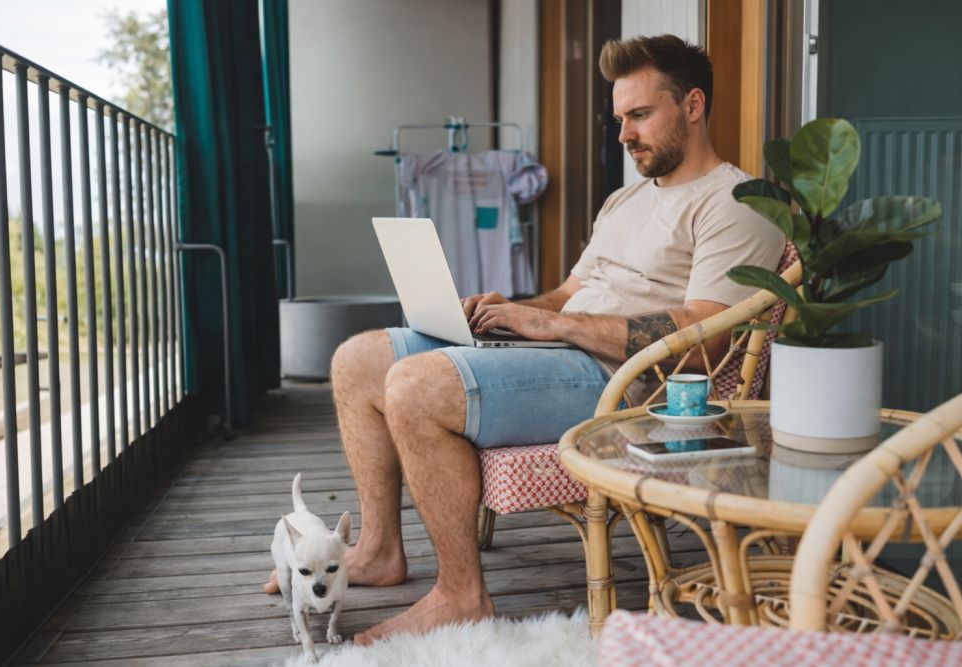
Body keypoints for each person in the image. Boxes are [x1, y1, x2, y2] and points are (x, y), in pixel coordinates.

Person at [265, 34, 785, 644]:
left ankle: (460, 594)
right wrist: (511, 312)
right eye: (620, 118)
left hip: (623, 387)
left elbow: (701, 341)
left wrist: (555, 325)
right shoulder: (625, 201)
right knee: (357, 359)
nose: (623, 135)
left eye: (640, 115)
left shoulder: (736, 202)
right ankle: (379, 548)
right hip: (555, 355)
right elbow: (568, 295)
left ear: (693, 106)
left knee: (415, 385)